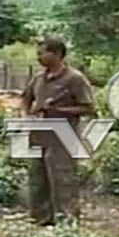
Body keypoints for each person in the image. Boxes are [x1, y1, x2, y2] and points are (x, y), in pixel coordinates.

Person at [20, 37, 96, 224]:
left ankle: (66, 220)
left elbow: (89, 109)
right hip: (39, 134)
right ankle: (40, 219)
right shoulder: (38, 78)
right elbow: (25, 99)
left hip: (64, 137)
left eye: (42, 53)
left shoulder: (74, 79)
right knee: (37, 178)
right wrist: (26, 115)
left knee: (63, 179)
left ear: (57, 54)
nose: (38, 57)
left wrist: (57, 110)